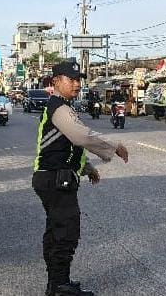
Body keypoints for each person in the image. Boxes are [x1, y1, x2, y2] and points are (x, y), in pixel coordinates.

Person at [33, 60, 129, 296]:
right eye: (71, 79)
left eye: (78, 80)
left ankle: (56, 283)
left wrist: (87, 168)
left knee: (56, 232)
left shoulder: (61, 106)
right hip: (55, 178)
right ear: (56, 81)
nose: (76, 84)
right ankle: (59, 286)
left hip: (51, 177)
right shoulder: (59, 108)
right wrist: (114, 145)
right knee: (65, 232)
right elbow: (81, 137)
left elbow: (66, 147)